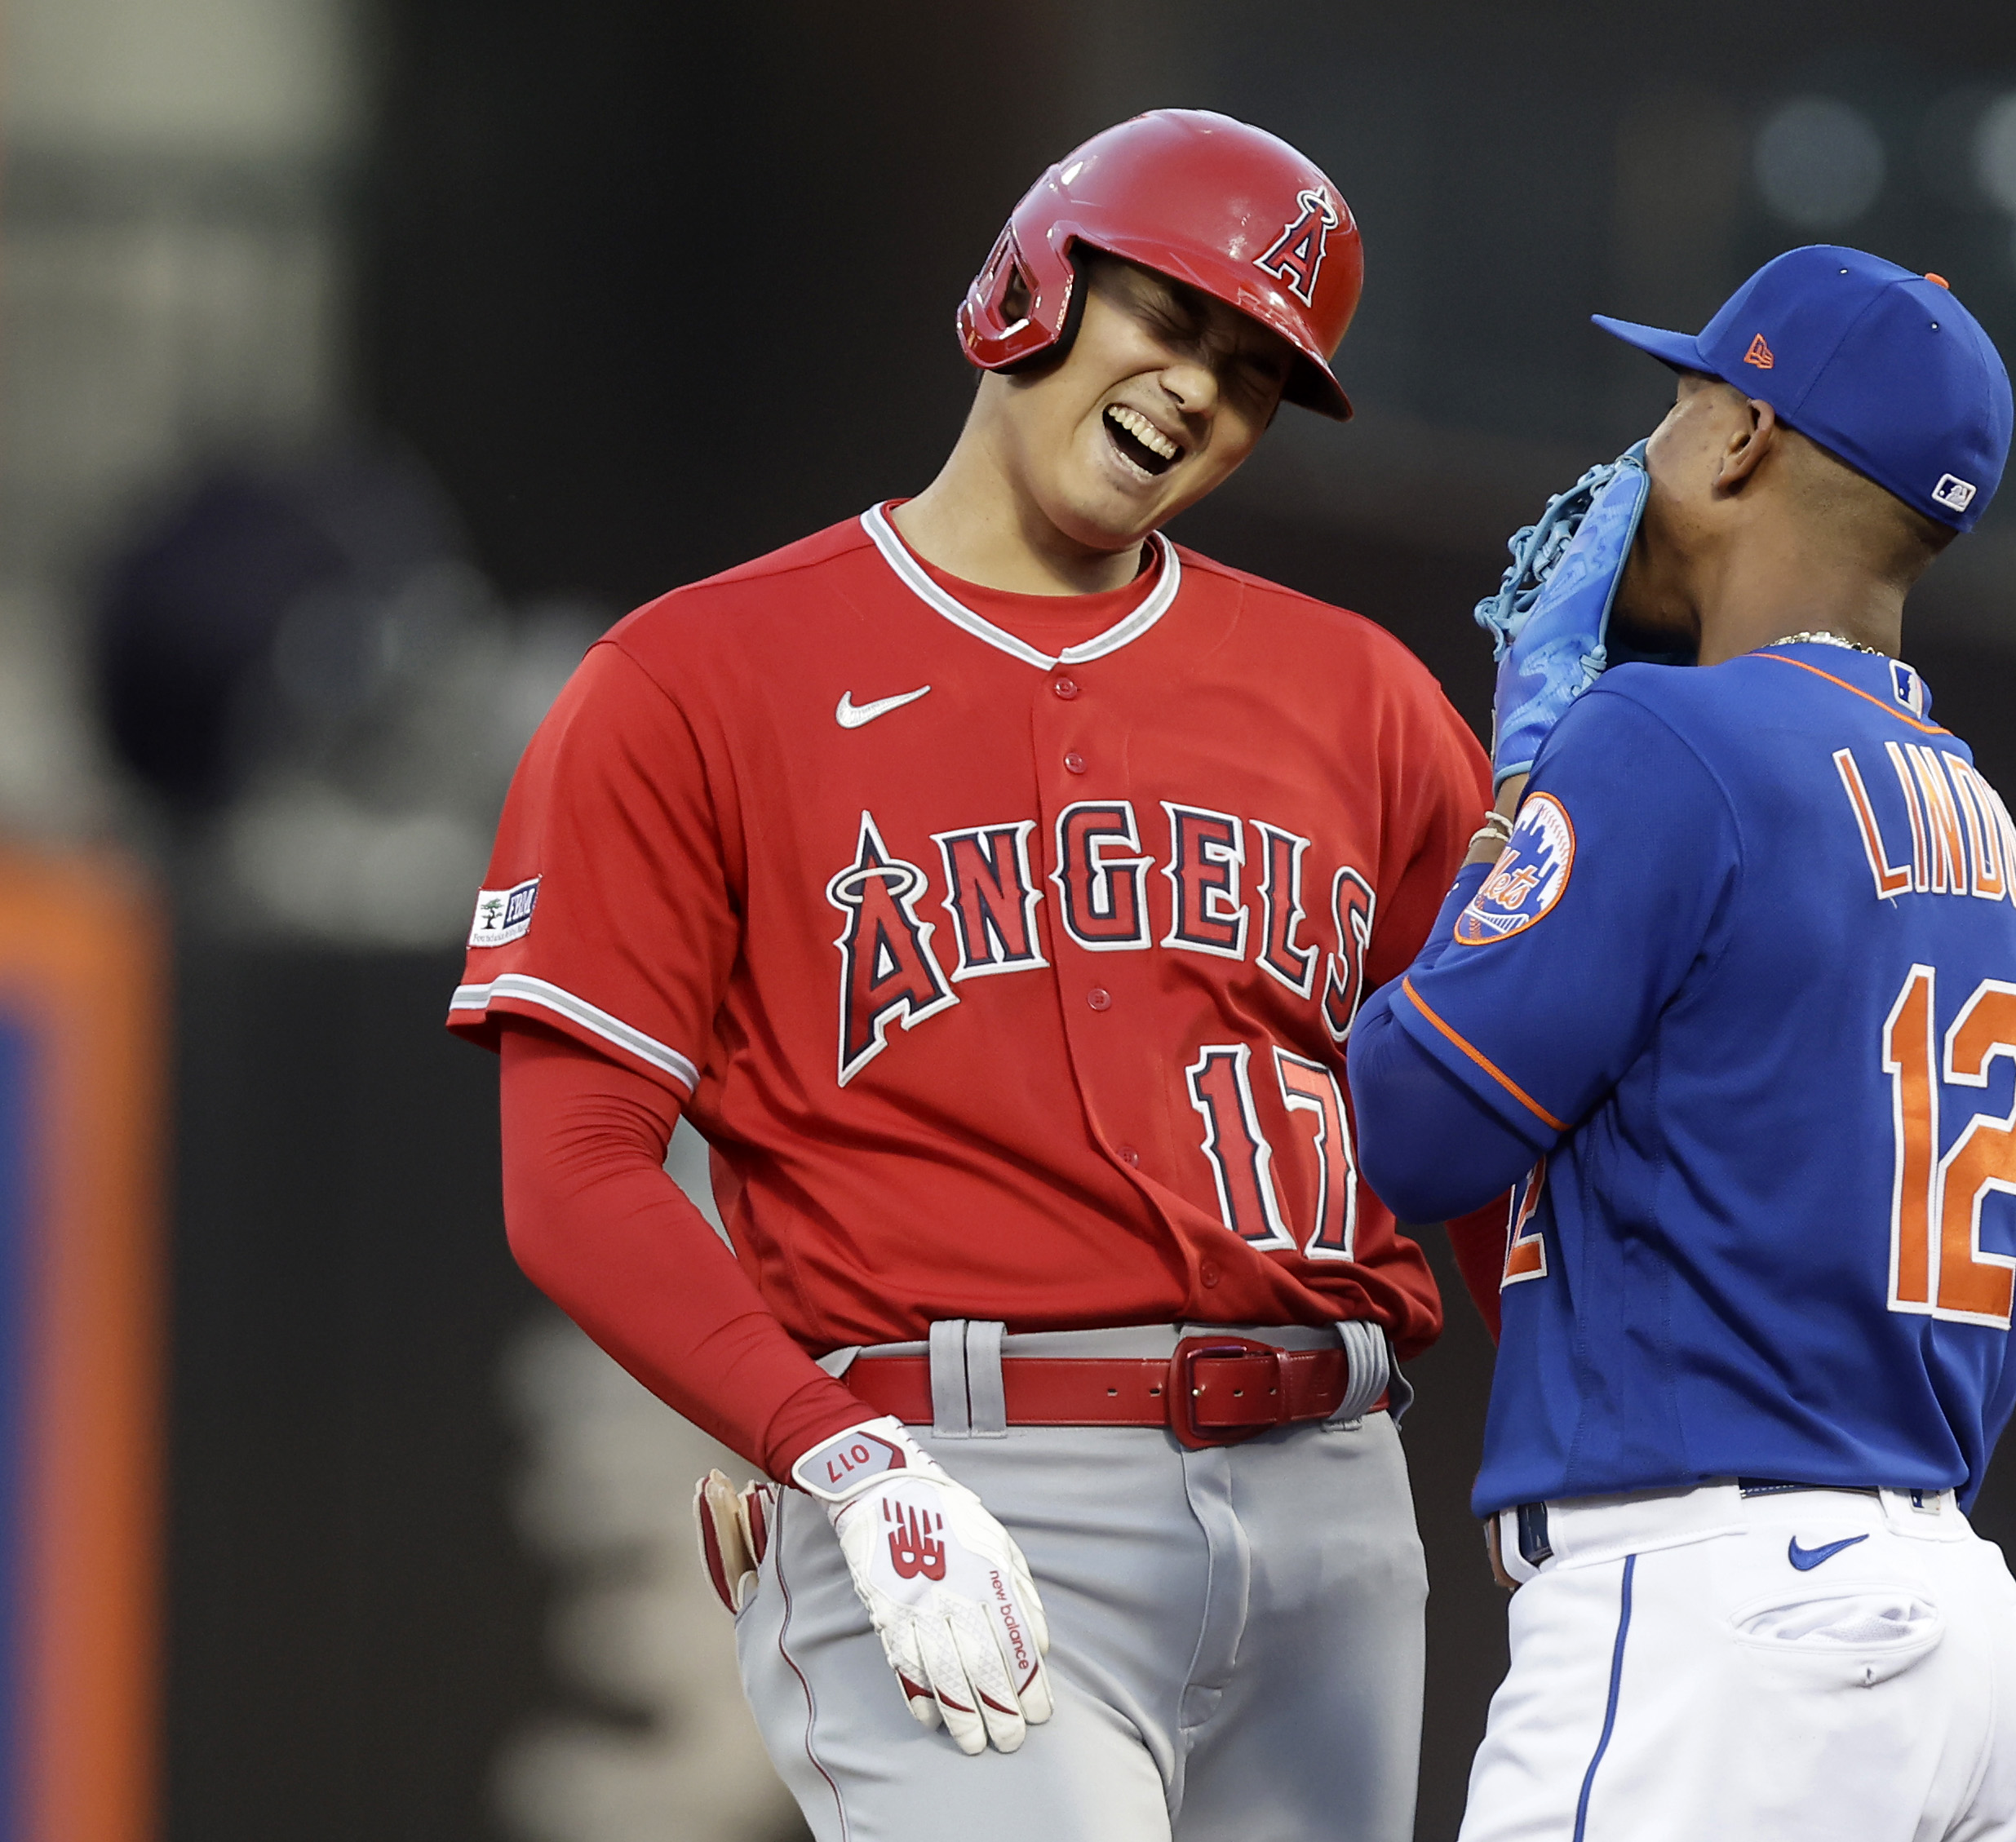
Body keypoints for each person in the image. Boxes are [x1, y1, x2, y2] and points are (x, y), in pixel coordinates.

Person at [447, 109, 1499, 1842]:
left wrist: (1608, 1453)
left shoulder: (1363, 699)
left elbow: (1489, 1128)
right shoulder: (697, 676)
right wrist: (821, 1444)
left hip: (1332, 1502)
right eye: (1172, 319)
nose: (1198, 392)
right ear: (1031, 284)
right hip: (956, 1484)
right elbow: (571, 1171)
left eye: (1254, 372)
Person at [1350, 246, 2016, 1841]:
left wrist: (1520, 782)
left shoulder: (1668, 737)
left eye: (1676, 403)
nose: (1638, 456)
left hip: (1721, 1635)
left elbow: (1406, 1127)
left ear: (1744, 439)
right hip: (1958, 1635)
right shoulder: (1985, 828)